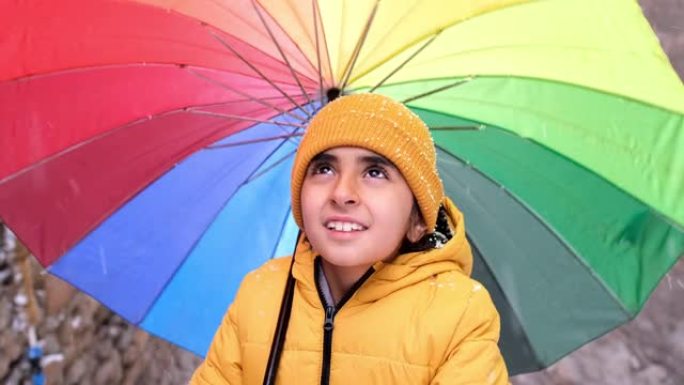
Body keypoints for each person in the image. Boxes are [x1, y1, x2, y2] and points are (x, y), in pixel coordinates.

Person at [190, 93, 509, 384]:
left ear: (417, 220)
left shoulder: (458, 314)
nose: (342, 193)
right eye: (324, 168)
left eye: (375, 172)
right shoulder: (262, 293)